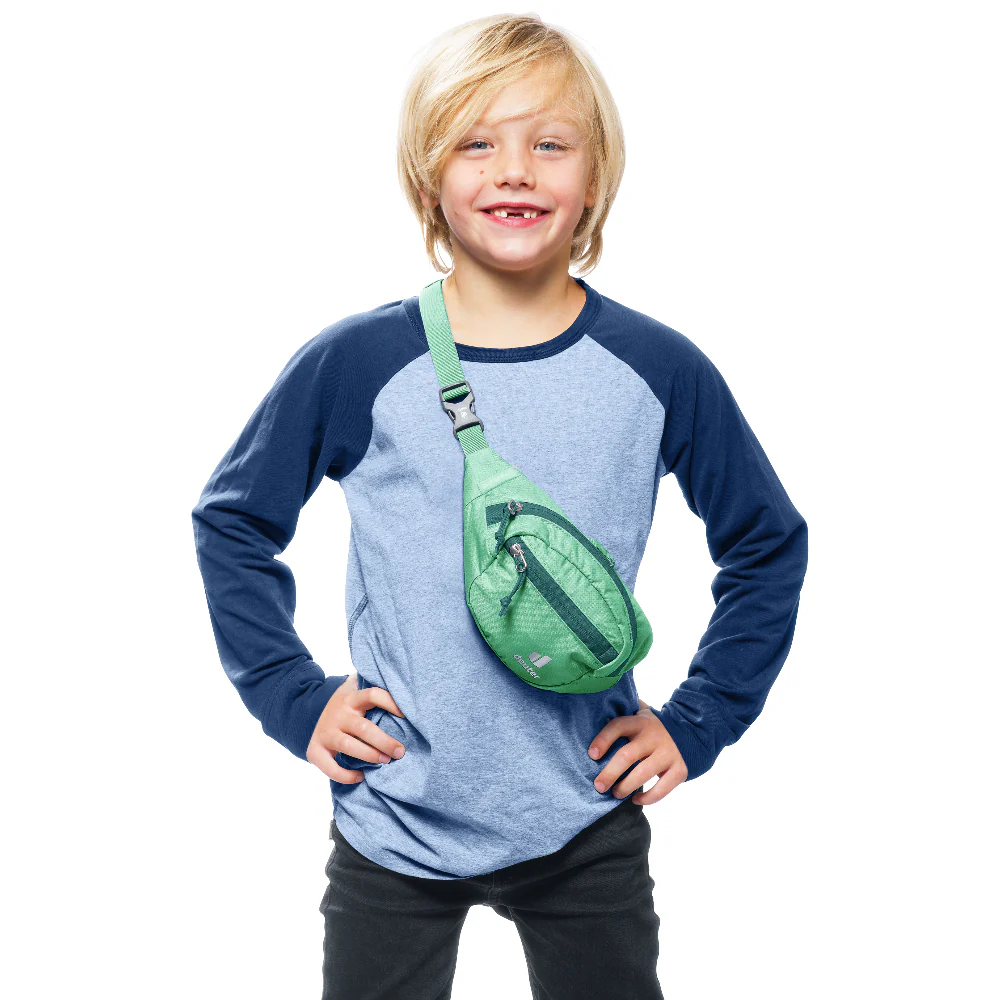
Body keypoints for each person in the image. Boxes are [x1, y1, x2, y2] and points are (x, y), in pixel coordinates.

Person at [191, 13, 808, 1000]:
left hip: (585, 814)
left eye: (550, 144)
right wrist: (292, 697)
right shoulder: (356, 362)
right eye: (476, 143)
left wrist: (699, 721)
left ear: (594, 178)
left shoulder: (658, 369)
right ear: (426, 178)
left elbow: (766, 543)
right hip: (394, 816)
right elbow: (233, 521)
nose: (514, 170)